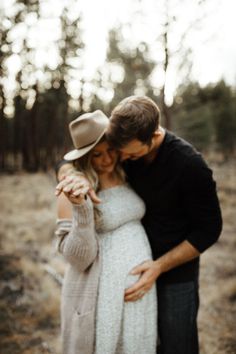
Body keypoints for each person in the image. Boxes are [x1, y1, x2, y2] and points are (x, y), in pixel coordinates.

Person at [56, 96, 223, 354]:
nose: (118, 157)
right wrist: (72, 175)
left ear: (153, 136)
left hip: (174, 272)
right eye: (114, 149)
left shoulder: (189, 165)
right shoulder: (124, 149)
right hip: (119, 283)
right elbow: (80, 160)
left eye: (123, 152)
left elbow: (209, 229)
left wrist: (158, 267)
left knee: (177, 345)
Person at [55, 110, 157, 354]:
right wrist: (80, 206)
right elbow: (77, 259)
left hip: (140, 289)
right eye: (96, 155)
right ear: (84, 158)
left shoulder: (128, 171)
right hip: (104, 293)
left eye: (110, 149)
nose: (106, 160)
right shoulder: (74, 188)